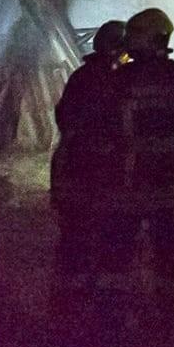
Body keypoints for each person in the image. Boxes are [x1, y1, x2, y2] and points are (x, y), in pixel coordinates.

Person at [91, 7, 174, 337]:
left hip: (127, 180)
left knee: (118, 253)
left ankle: (112, 321)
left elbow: (104, 125)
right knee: (168, 255)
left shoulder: (118, 79)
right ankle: (168, 321)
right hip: (169, 181)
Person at [49, 19, 128, 323]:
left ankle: (66, 307)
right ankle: (100, 311)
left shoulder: (81, 77)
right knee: (102, 239)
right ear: (118, 49)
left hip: (71, 169)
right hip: (95, 173)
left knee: (73, 240)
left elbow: (64, 117)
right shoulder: (112, 81)